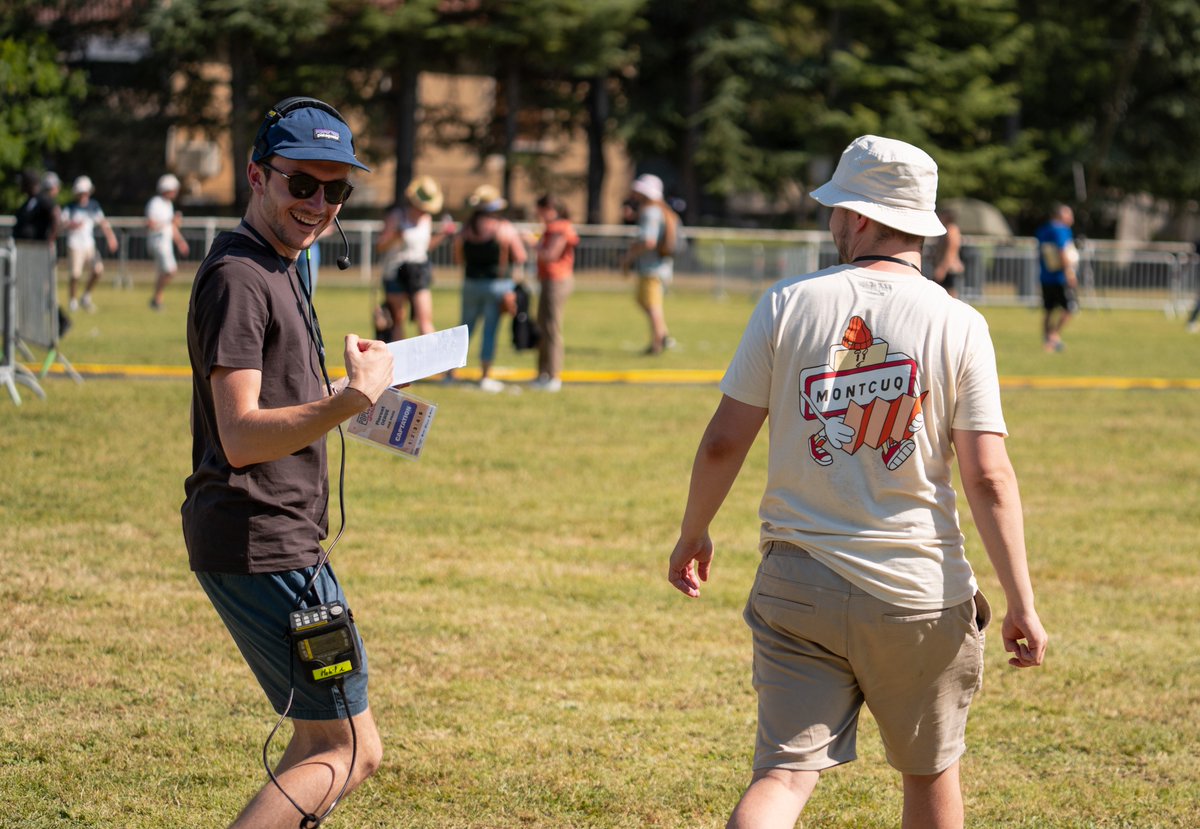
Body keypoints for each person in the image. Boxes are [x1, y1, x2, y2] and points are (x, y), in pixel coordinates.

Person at [667, 135, 1048, 829]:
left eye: (837, 208)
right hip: (918, 590)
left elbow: (723, 440)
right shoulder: (960, 322)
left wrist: (694, 531)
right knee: (929, 776)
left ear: (864, 217)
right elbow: (989, 476)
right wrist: (1022, 600)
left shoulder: (786, 302)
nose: (831, 222)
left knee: (782, 777)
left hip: (798, 582)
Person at [182, 97, 394, 829]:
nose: (319, 204)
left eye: (336, 191)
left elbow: (277, 399)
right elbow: (241, 436)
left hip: (278, 537)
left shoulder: (283, 266)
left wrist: (350, 392)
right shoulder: (240, 277)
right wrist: (351, 401)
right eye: (302, 183)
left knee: (330, 742)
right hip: (263, 541)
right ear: (257, 175)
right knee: (343, 748)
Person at [451, 184, 527, 392]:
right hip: (497, 285)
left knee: (464, 330)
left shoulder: (466, 229)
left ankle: (450, 373)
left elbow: (458, 258)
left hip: (470, 284)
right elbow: (520, 256)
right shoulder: (503, 228)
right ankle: (484, 376)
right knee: (490, 331)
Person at [376, 175, 454, 341]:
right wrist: (395, 236)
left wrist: (442, 234)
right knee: (397, 320)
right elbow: (380, 246)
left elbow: (425, 247)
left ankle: (431, 357)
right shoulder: (397, 216)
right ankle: (398, 357)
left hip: (418, 271)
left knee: (425, 320)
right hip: (395, 271)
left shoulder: (426, 219)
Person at [621, 173, 677, 355]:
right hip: (658, 266)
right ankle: (663, 336)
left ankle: (659, 341)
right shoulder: (659, 210)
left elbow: (648, 241)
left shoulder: (651, 211)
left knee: (652, 305)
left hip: (652, 268)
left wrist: (629, 256)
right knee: (644, 301)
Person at [531, 194, 579, 392]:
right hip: (549, 280)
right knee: (543, 327)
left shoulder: (560, 227)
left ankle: (553, 375)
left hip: (556, 281)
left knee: (551, 328)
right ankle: (543, 373)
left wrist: (532, 244)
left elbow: (551, 255)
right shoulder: (555, 227)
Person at [63, 176, 118, 312]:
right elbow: (62, 223)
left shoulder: (94, 206)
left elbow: (103, 223)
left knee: (98, 270)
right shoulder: (70, 207)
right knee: (75, 274)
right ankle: (73, 300)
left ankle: (86, 296)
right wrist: (71, 225)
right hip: (75, 244)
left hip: (89, 245)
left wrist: (111, 238)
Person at [1034, 203, 1078, 352]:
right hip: (1060, 277)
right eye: (1069, 215)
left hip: (1045, 276)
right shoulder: (1061, 230)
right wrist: (1069, 272)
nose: (1071, 218)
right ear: (1060, 215)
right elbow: (1062, 251)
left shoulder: (1043, 229)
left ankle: (1047, 338)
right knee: (1070, 307)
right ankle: (1054, 337)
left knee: (1048, 309)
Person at [147, 172, 189, 310]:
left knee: (164, 272)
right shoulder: (155, 203)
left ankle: (157, 300)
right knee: (170, 271)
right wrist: (170, 221)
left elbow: (172, 228)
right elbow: (151, 224)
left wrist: (180, 242)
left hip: (165, 243)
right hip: (158, 243)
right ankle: (156, 298)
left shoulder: (168, 204)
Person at [12, 170, 61, 242]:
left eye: (22, 183)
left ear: (28, 183)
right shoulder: (30, 200)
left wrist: (51, 239)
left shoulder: (43, 198)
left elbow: (56, 215)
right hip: (23, 244)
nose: (20, 186)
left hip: (36, 246)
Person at [929, 207, 963, 298]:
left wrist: (942, 268)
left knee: (950, 294)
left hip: (949, 268)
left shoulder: (951, 230)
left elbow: (951, 251)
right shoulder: (947, 229)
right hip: (946, 267)